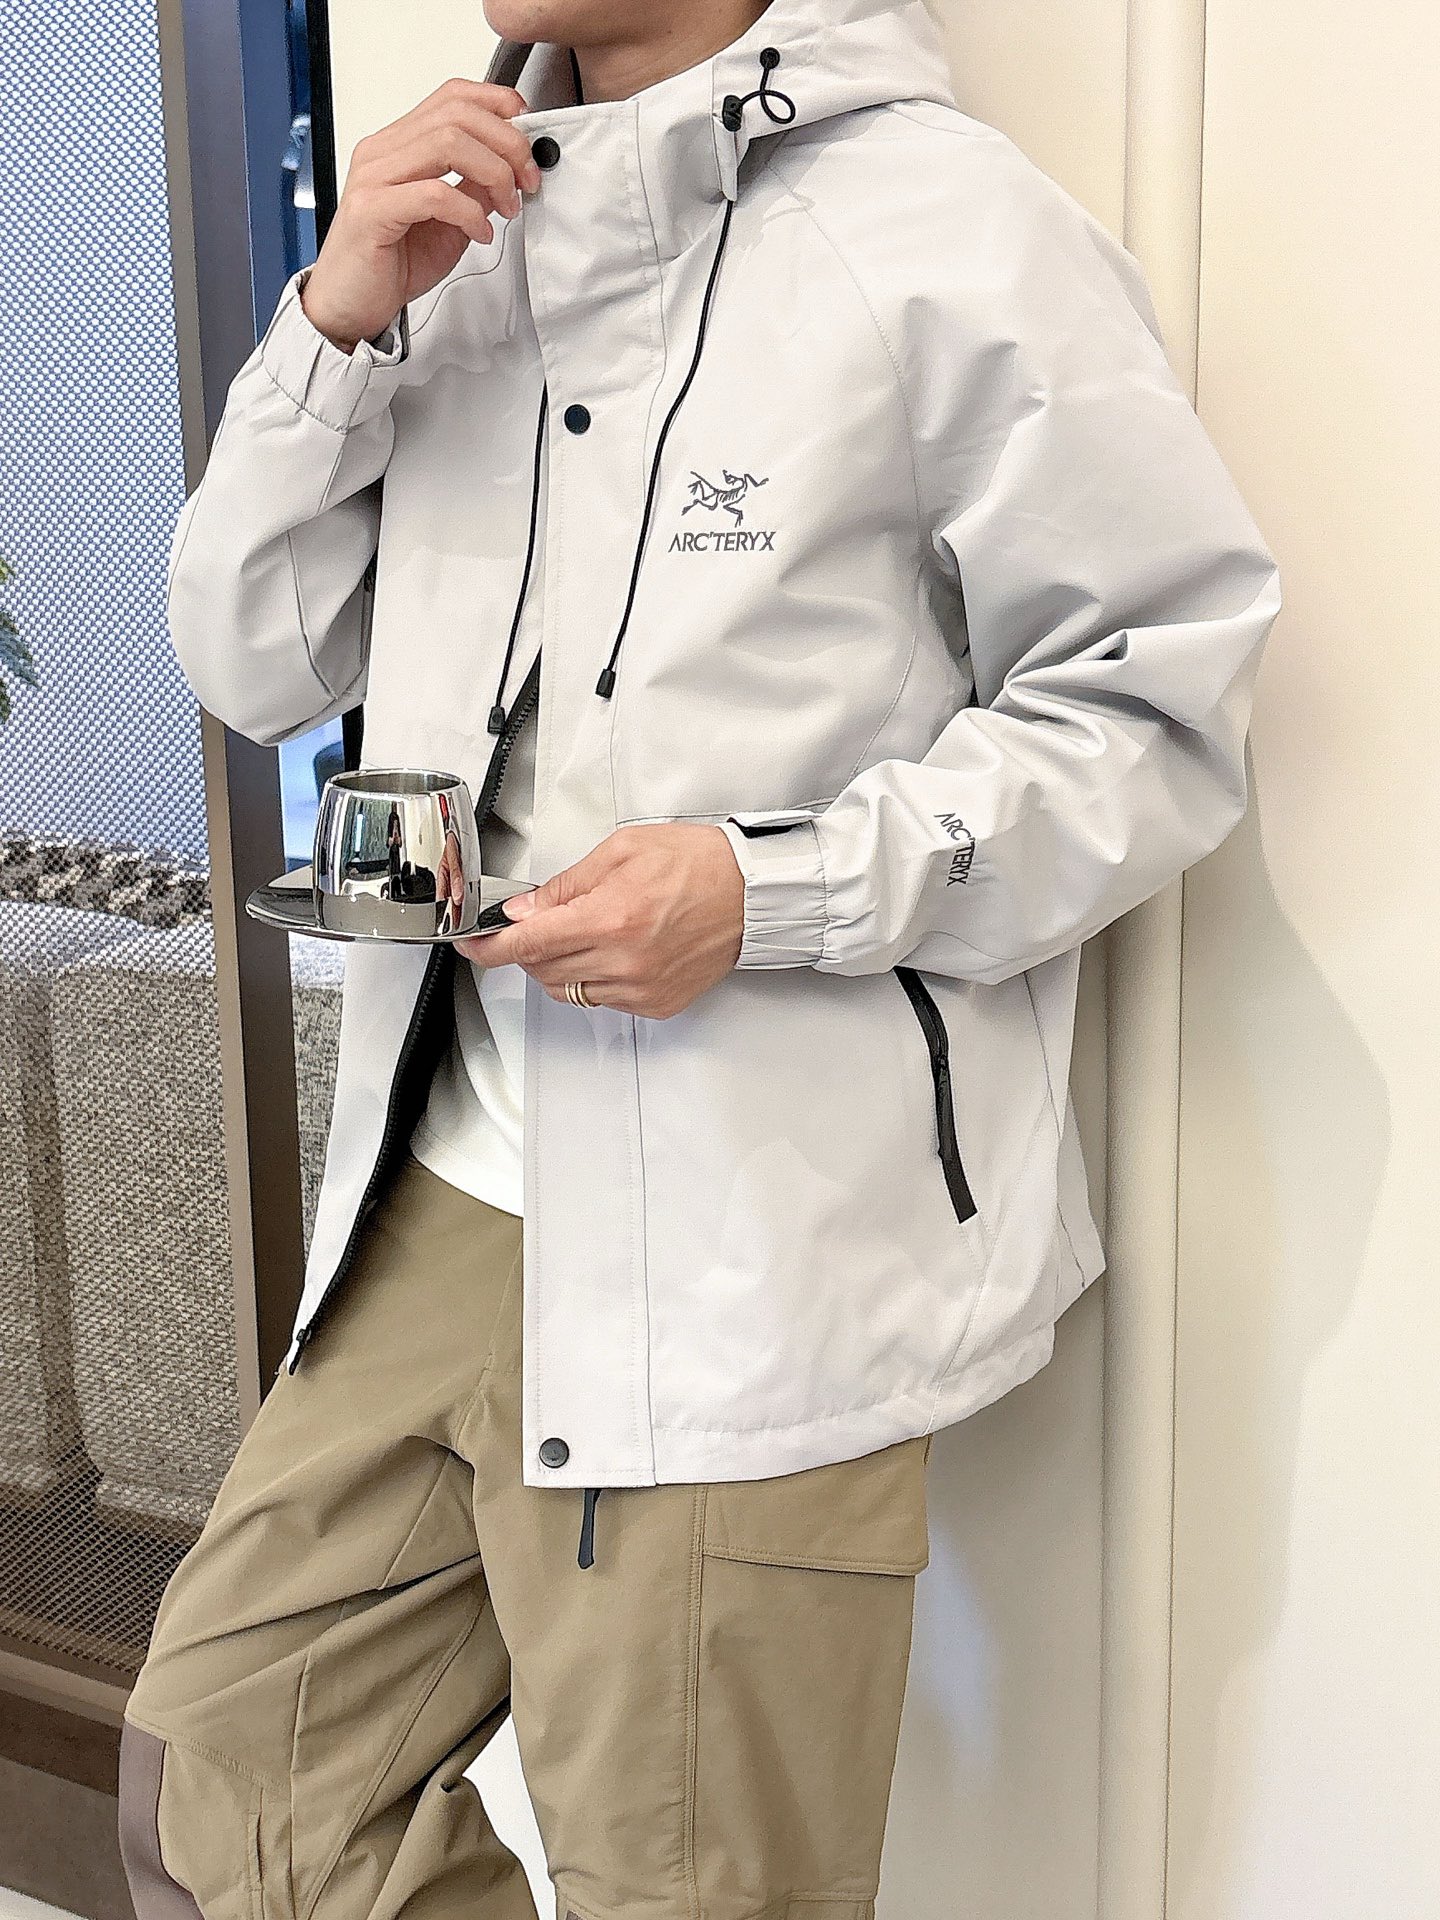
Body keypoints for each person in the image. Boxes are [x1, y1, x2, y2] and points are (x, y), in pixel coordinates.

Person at [118, 1, 1281, 1915]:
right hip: (444, 1187)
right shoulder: (458, 234)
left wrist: (768, 893)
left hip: (747, 1245)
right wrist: (333, 328)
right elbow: (253, 662)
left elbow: (1155, 718)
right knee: (220, 1790)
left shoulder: (948, 232)